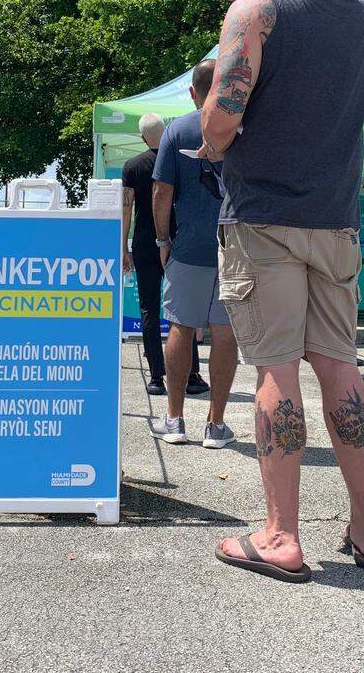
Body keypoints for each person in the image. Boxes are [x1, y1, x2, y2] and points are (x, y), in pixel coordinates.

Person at [198, 0, 364, 581]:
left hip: (264, 219)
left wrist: (211, 146)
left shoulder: (251, 14)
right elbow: (297, 13)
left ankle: (280, 535)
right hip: (334, 219)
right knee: (339, 364)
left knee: (275, 367)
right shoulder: (358, 13)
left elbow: (220, 118)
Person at [149, 58, 238, 449]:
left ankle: (175, 420)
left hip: (187, 247)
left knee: (181, 328)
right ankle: (215, 425)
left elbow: (161, 193)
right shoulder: (242, 127)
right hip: (236, 247)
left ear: (192, 92)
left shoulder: (176, 129)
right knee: (225, 333)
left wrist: (162, 241)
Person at [121, 114, 206, 395]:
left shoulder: (132, 166)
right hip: (177, 241)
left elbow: (126, 210)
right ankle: (192, 375)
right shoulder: (177, 160)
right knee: (184, 310)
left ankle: (157, 376)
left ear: (143, 137)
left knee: (149, 307)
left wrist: (123, 247)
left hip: (145, 243)